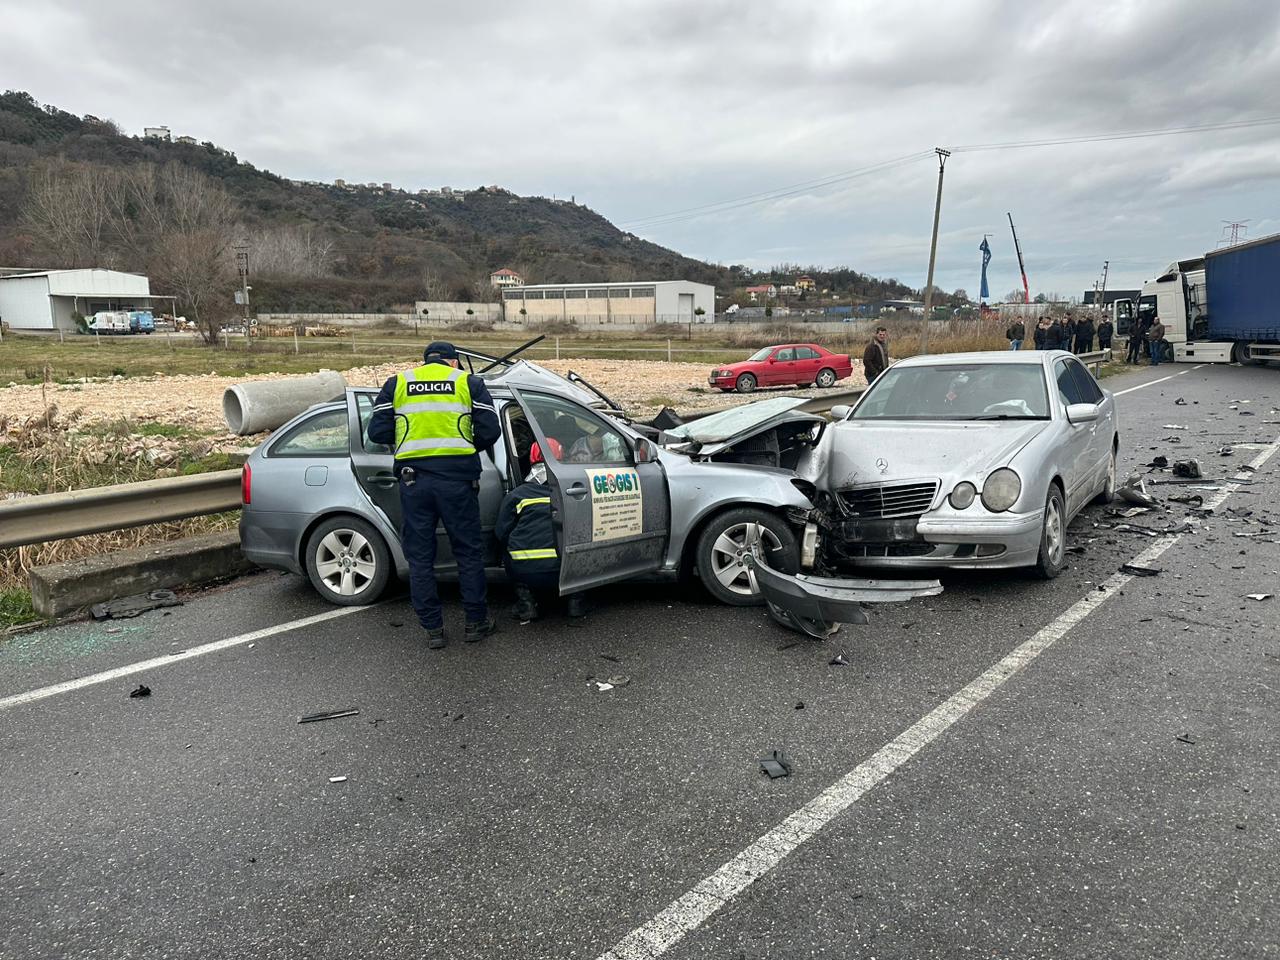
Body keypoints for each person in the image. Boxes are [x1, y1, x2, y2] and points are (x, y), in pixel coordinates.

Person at [368, 341, 501, 649]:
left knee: (420, 558)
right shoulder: (469, 383)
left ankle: (433, 631)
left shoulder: (397, 383)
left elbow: (376, 432)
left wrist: (408, 441)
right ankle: (476, 624)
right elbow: (490, 430)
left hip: (414, 483)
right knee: (468, 553)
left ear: (425, 361)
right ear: (453, 362)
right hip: (458, 481)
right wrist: (464, 447)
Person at [495, 439, 587, 622]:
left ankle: (526, 604)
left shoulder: (518, 495)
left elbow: (500, 532)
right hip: (564, 571)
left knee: (507, 549)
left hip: (526, 572)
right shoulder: (572, 494)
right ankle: (575, 603)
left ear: (531, 459)